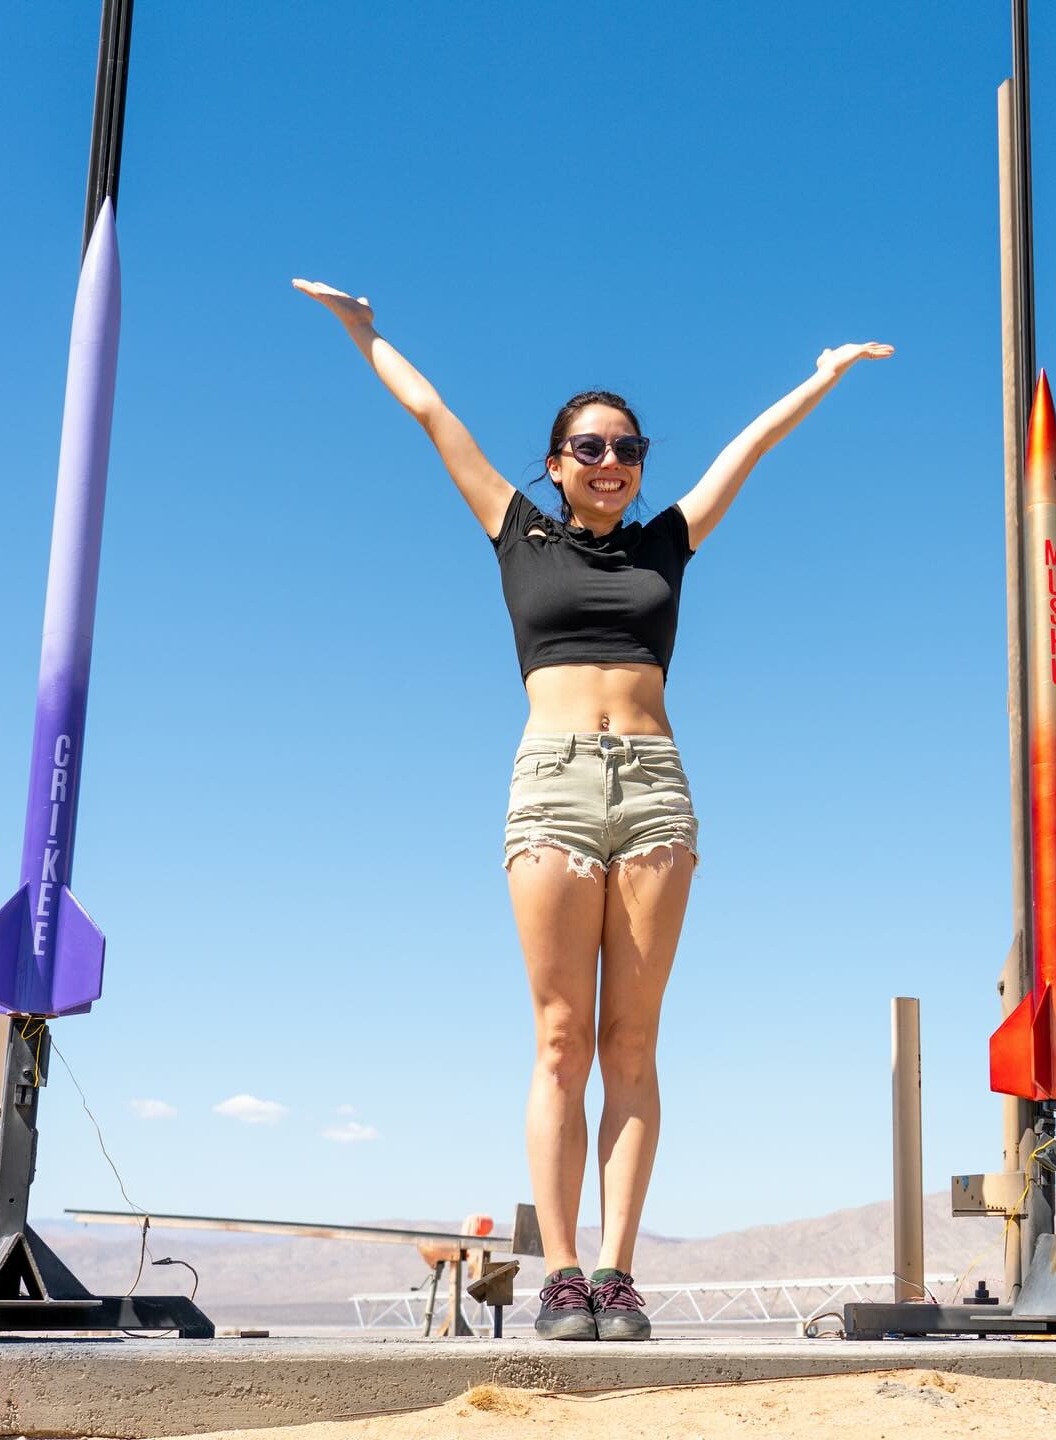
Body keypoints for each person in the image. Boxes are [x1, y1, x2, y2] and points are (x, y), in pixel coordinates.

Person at [292, 278, 891, 1339]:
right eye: (590, 447)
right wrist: (364, 333)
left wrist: (822, 378)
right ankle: (561, 1273)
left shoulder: (667, 542)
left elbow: (747, 452)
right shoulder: (517, 531)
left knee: (634, 1046)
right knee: (562, 1039)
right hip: (555, 786)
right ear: (557, 462)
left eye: (628, 448)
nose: (611, 461)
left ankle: (618, 1274)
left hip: (655, 788)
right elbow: (434, 415)